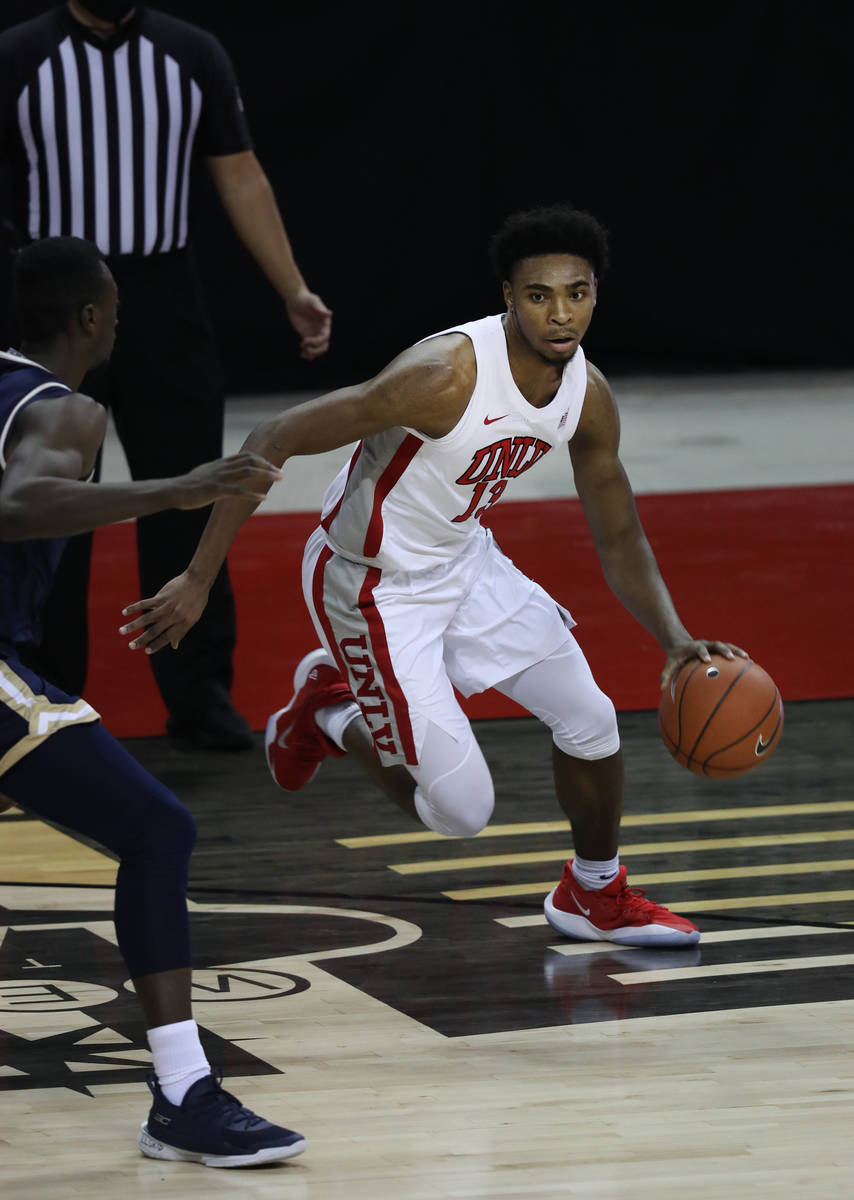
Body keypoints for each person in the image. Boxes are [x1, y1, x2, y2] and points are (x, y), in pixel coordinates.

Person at [121, 204, 747, 948]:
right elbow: (274, 436)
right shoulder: (442, 378)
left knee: (592, 719)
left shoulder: (588, 395)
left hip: (465, 560)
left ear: (595, 295)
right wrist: (196, 576)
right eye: (539, 295)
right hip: (369, 583)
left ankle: (593, 892)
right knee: (461, 812)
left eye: (575, 293)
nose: (560, 313)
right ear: (508, 298)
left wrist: (673, 639)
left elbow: (617, 529)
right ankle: (330, 707)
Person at [0, 234, 305, 1165]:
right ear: (92, 319)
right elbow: (15, 507)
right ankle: (183, 1094)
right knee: (156, 830)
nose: (122, 322)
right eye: (118, 310)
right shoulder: (71, 411)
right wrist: (181, 489)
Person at [0, 0, 332, 750]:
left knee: (190, 490)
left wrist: (292, 288)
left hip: (161, 297)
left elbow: (240, 174)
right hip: (50, 299)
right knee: (53, 502)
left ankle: (198, 692)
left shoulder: (192, 53)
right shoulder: (20, 56)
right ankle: (44, 692)